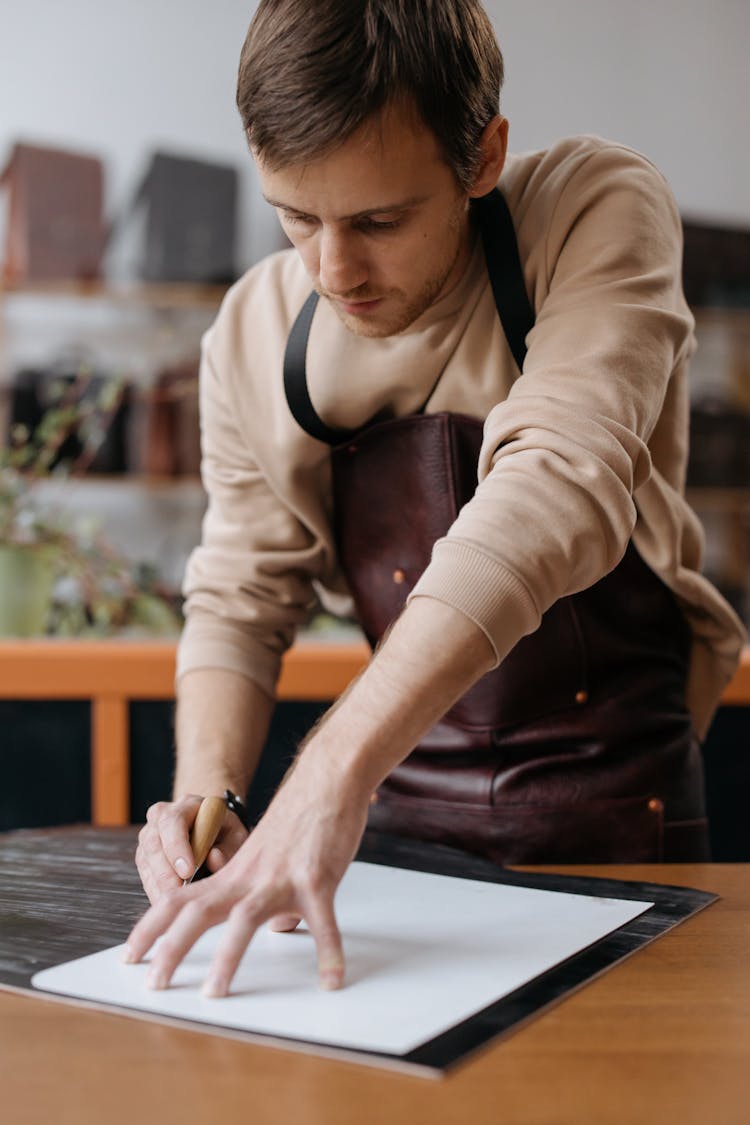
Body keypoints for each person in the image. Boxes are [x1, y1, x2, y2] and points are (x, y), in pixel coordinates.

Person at [126, 0, 745, 996]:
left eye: (379, 220)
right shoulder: (250, 332)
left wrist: (331, 773)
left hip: (621, 811)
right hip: (390, 826)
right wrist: (208, 803)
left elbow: (561, 480)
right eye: (296, 215)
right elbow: (241, 596)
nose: (333, 270)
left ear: (483, 156)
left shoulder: (592, 207)